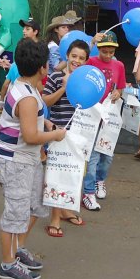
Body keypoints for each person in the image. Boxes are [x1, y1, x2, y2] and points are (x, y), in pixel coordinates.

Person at [0, 39, 65, 279]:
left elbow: (35, 114)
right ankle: (7, 264)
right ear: (43, 68)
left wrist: (44, 121)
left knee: (34, 205)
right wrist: (55, 134)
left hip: (27, 160)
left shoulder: (28, 87)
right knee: (15, 213)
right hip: (16, 161)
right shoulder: (27, 97)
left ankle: (18, 250)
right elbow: (31, 136)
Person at [41, 38, 91, 236]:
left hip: (79, 135)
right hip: (58, 133)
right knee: (57, 176)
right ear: (67, 56)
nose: (77, 61)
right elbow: (46, 101)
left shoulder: (87, 79)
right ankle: (54, 218)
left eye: (81, 58)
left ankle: (65, 209)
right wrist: (64, 86)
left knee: (76, 173)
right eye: (74, 56)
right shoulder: (55, 76)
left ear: (87, 61)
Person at [81, 30, 126, 211]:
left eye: (111, 52)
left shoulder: (119, 66)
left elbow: (121, 87)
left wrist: (118, 93)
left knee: (107, 155)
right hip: (92, 114)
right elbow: (78, 65)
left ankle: (100, 181)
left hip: (109, 116)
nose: (108, 55)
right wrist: (91, 42)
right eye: (104, 51)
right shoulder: (91, 61)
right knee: (92, 156)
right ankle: (88, 191)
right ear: (99, 49)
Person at [0, 18, 41, 102]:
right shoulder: (22, 45)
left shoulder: (41, 48)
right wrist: (10, 65)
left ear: (35, 32)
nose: (24, 31)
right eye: (23, 28)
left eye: (27, 29)